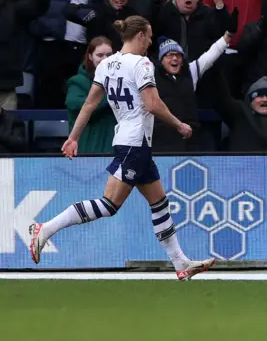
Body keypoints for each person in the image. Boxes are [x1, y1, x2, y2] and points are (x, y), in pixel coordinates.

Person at [29, 15, 215, 281]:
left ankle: (181, 263)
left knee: (159, 202)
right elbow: (152, 104)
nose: (150, 42)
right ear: (139, 35)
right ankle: (44, 229)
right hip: (134, 143)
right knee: (109, 205)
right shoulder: (142, 64)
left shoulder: (106, 64)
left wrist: (73, 137)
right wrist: (178, 124)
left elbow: (90, 104)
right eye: (149, 37)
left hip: (131, 142)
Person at [65, 36, 117, 154]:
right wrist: (110, 97)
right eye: (100, 55)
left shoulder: (122, 81)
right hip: (89, 150)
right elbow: (75, 105)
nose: (105, 59)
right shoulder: (78, 82)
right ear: (90, 56)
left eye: (109, 55)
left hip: (116, 150)